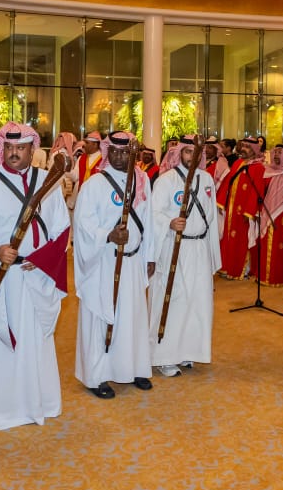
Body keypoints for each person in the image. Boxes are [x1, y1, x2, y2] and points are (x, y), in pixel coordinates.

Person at [0, 122, 70, 430]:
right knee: (1, 345)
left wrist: (42, 257)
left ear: (32, 150)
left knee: (35, 341)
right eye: (8, 148)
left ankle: (40, 402)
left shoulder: (48, 182)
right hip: (2, 277)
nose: (13, 154)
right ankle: (2, 410)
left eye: (20, 148)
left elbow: (61, 228)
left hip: (36, 275)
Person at [72, 132, 153, 398]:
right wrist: (107, 235)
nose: (119, 157)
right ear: (108, 152)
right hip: (104, 262)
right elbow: (83, 224)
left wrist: (149, 256)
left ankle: (133, 368)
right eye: (115, 152)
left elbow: (149, 222)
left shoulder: (143, 181)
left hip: (132, 263)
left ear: (133, 155)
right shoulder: (94, 184)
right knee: (103, 316)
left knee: (132, 317)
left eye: (125, 153)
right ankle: (97, 377)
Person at [147, 135, 218, 376]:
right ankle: (165, 357)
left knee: (198, 301)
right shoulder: (166, 181)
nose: (192, 157)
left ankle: (189, 352)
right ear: (180, 154)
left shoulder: (207, 179)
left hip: (199, 249)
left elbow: (211, 219)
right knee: (173, 299)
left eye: (196, 153)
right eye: (187, 152)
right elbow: (153, 214)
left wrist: (212, 253)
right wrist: (169, 222)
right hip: (173, 247)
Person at [215, 137, 263, 279]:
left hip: (244, 212)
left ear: (254, 150)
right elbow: (227, 182)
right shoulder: (237, 163)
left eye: (248, 147)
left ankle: (240, 270)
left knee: (241, 240)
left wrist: (249, 212)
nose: (243, 149)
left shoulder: (258, 167)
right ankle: (228, 267)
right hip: (231, 208)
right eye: (243, 146)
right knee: (229, 238)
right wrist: (221, 202)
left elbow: (257, 191)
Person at [256, 144, 283, 287]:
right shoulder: (268, 171)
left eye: (280, 152)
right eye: (275, 152)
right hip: (267, 211)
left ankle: (279, 277)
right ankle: (265, 276)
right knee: (266, 243)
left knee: (280, 246)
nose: (276, 155)